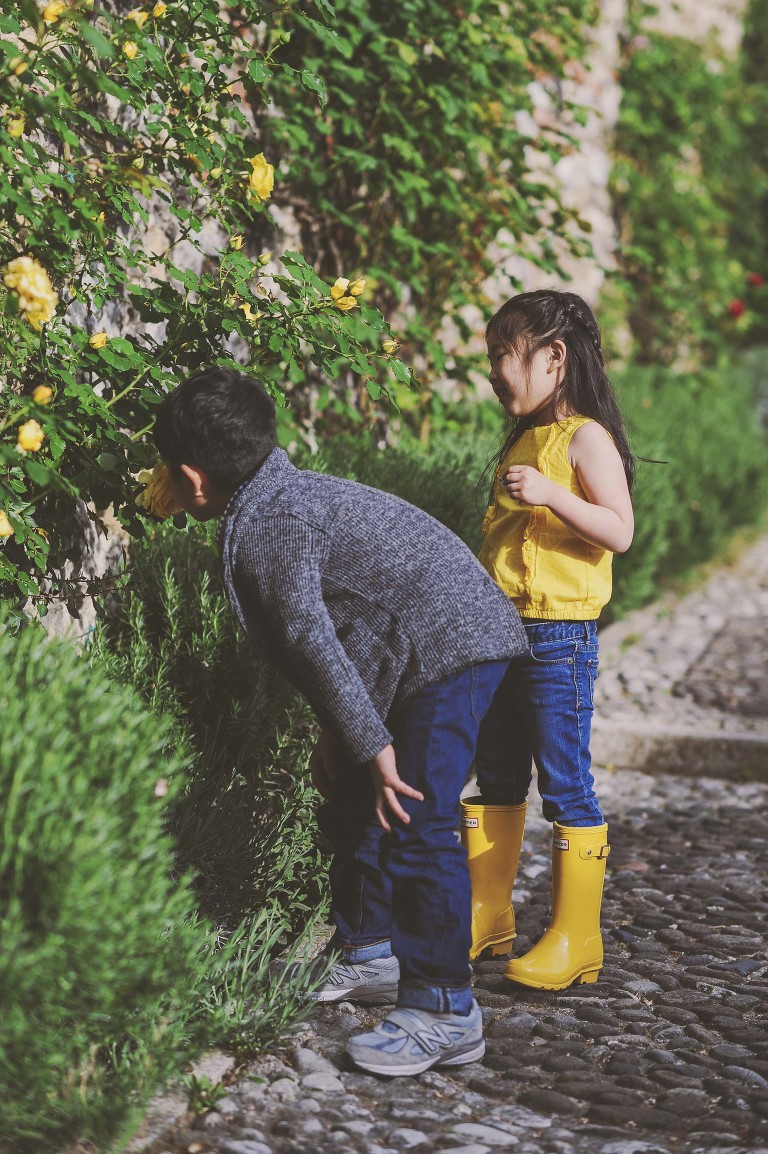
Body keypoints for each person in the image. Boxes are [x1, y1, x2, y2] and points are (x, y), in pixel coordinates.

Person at [152, 366, 528, 1076]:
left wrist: (375, 743)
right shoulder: (274, 499)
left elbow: (311, 639)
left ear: (194, 480)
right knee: (359, 793)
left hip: (452, 646)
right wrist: (349, 735)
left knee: (415, 816)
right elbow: (350, 629)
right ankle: (369, 951)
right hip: (419, 641)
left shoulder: (270, 524)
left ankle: (445, 1008)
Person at [461, 289, 634, 991]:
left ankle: (576, 937)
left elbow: (618, 530)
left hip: (559, 636)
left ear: (553, 357)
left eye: (503, 354)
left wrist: (553, 495)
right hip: (503, 633)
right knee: (496, 773)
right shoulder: (526, 437)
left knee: (565, 780)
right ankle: (487, 912)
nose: (494, 371)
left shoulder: (585, 437)